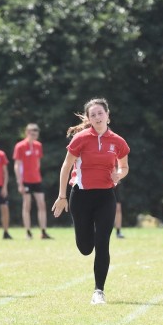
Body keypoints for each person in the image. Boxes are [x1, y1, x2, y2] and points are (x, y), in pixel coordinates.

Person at [52, 98, 130, 304]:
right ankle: (91, 232)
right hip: (81, 196)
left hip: (106, 196)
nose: (97, 117)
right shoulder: (80, 139)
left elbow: (124, 167)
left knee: (103, 243)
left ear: (107, 115)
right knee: (86, 248)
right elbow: (66, 167)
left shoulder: (118, 141)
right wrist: (62, 196)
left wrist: (119, 175)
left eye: (100, 113)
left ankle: (99, 291)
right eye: (93, 114)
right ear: (88, 118)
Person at [14, 123, 52, 239]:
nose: (34, 134)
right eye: (31, 131)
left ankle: (43, 232)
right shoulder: (20, 146)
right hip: (25, 180)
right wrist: (19, 182)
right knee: (27, 205)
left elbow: (37, 162)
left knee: (42, 204)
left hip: (36, 179)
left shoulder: (38, 145)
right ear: (27, 132)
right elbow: (17, 165)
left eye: (36, 132)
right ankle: (28, 232)